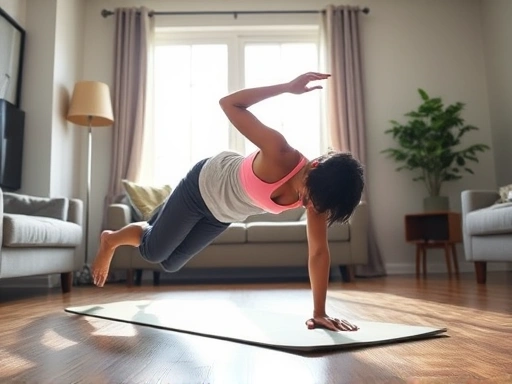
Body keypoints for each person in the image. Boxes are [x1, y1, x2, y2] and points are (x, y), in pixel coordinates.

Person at [92, 72, 365, 332]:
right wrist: (286, 88)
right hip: (201, 187)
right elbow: (230, 103)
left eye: (315, 204)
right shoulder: (279, 151)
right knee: (153, 252)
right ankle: (111, 239)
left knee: (171, 263)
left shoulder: (316, 201)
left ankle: (158, 219)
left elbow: (318, 253)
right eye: (308, 195)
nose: (306, 204)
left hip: (222, 215)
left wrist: (319, 313)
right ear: (314, 166)